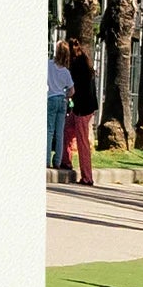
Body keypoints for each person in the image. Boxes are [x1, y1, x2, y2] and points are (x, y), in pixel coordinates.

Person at [65, 38, 98, 187]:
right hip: (87, 106)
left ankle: (87, 177)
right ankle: (66, 160)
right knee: (67, 130)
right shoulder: (86, 61)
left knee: (82, 142)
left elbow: (74, 88)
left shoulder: (76, 66)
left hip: (81, 108)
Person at [47, 40, 73, 171]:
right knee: (59, 132)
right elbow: (72, 90)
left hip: (51, 98)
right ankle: (57, 161)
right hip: (62, 100)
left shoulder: (49, 65)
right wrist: (66, 96)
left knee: (49, 130)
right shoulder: (66, 72)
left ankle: (46, 159)